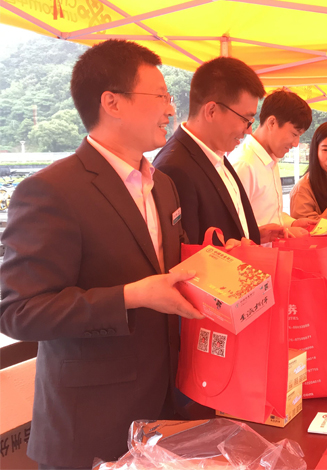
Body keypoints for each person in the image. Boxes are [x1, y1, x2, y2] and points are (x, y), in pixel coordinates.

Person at [0, 39, 204, 469]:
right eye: (161, 96)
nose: (171, 110)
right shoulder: (51, 191)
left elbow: (166, 271)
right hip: (90, 424)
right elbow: (19, 313)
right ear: (112, 102)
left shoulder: (163, 185)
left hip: (164, 411)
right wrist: (131, 296)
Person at [154, 57, 285, 246]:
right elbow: (186, 253)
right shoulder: (175, 168)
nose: (248, 130)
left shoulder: (216, 153)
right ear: (212, 111)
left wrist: (252, 235)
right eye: (245, 119)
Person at [230, 89, 314, 234]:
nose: (296, 143)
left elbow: (268, 215)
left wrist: (292, 223)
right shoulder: (244, 165)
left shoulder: (270, 160)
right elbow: (233, 227)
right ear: (272, 123)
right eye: (294, 134)